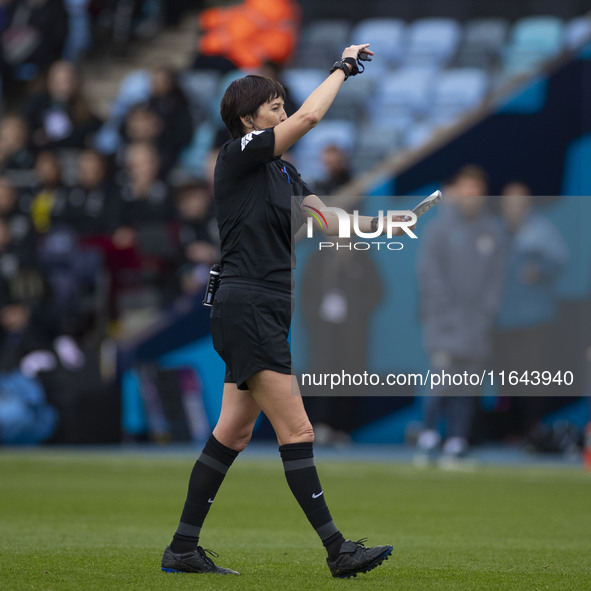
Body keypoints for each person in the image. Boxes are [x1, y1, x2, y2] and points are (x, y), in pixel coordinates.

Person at [162, 44, 399, 579]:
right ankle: (339, 551)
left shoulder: (285, 174)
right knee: (298, 430)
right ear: (248, 119)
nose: (284, 112)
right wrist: (342, 68)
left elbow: (329, 222)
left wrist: (391, 223)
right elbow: (314, 115)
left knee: (233, 433)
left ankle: (182, 548)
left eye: (282, 104)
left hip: (262, 306)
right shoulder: (239, 153)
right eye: (274, 107)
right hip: (247, 304)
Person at [416, 166, 505, 465]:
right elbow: (430, 274)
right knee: (441, 380)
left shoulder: (492, 230)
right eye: (467, 190)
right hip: (443, 324)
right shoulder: (439, 229)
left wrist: (484, 312)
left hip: (476, 325)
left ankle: (457, 439)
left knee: (470, 384)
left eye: (477, 192)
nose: (472, 197)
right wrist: (446, 311)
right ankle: (429, 435)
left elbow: (496, 278)